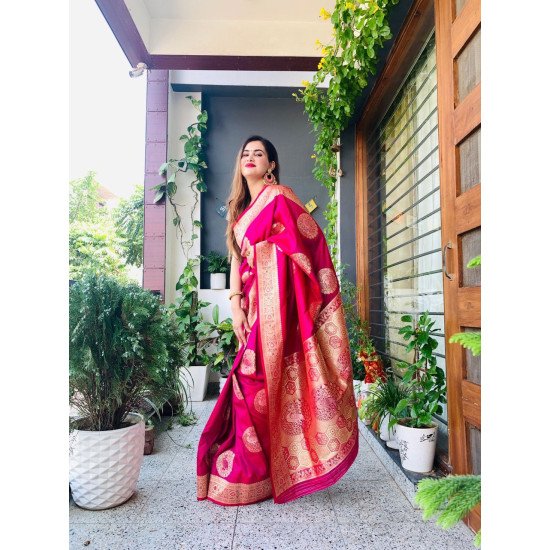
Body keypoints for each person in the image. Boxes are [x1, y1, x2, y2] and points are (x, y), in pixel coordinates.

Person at [196, 135, 358, 506]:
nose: (251, 158)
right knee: (250, 384)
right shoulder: (240, 211)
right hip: (252, 311)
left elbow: (309, 242)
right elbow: (237, 260)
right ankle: (260, 469)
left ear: (271, 165)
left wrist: (273, 261)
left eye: (259, 154)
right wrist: (235, 306)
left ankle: (254, 470)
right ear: (240, 164)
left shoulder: (280, 198)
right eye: (246, 154)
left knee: (252, 382)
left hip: (279, 311)